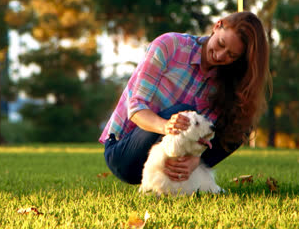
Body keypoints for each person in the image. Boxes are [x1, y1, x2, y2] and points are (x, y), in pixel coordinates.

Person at [99, 11, 271, 185]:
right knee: (182, 113)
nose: (220, 56)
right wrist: (166, 126)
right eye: (220, 44)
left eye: (231, 55)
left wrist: (198, 160)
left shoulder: (227, 80)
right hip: (127, 153)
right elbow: (136, 109)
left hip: (173, 156)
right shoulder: (170, 45)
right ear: (217, 25)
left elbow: (208, 133)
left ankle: (190, 171)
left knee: (242, 121)